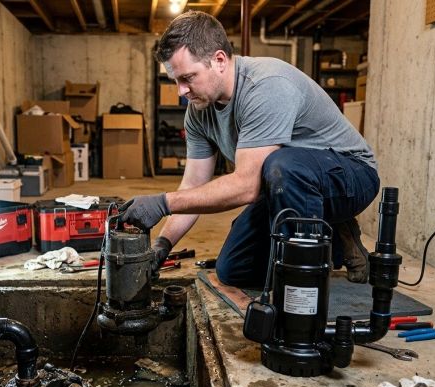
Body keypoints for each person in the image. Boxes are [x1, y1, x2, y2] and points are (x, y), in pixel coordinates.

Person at [120, 11, 379, 287]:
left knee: (282, 165)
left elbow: (246, 187)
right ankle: (333, 237)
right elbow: (192, 186)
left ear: (219, 60)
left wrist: (163, 203)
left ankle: (303, 281)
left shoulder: (267, 86)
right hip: (285, 186)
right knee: (233, 269)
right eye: (176, 80)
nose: (181, 91)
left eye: (188, 78)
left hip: (350, 176)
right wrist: (162, 245)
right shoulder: (198, 112)